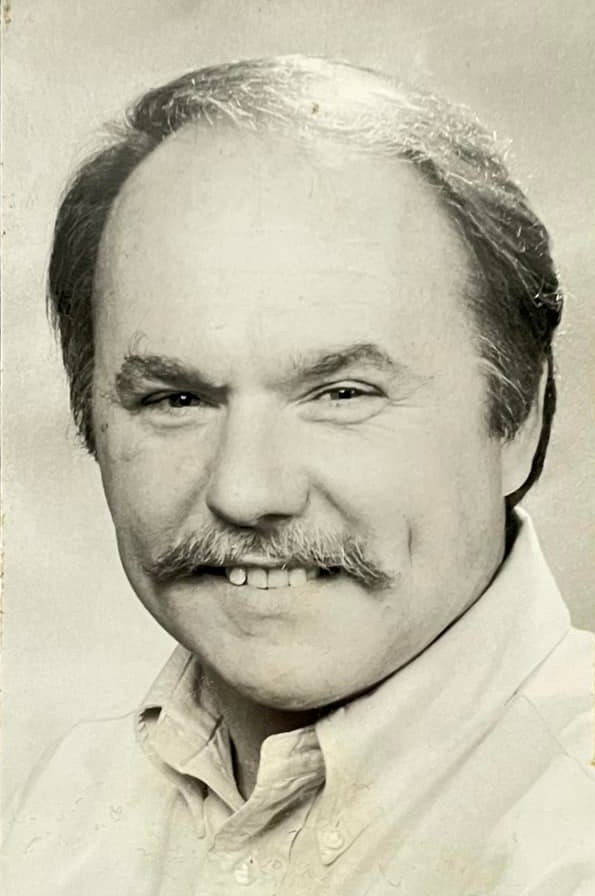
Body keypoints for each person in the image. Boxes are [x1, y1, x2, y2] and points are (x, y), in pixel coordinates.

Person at [4, 55, 594, 896]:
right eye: (176, 399)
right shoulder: (59, 809)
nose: (247, 491)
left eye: (341, 394)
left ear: (517, 417)